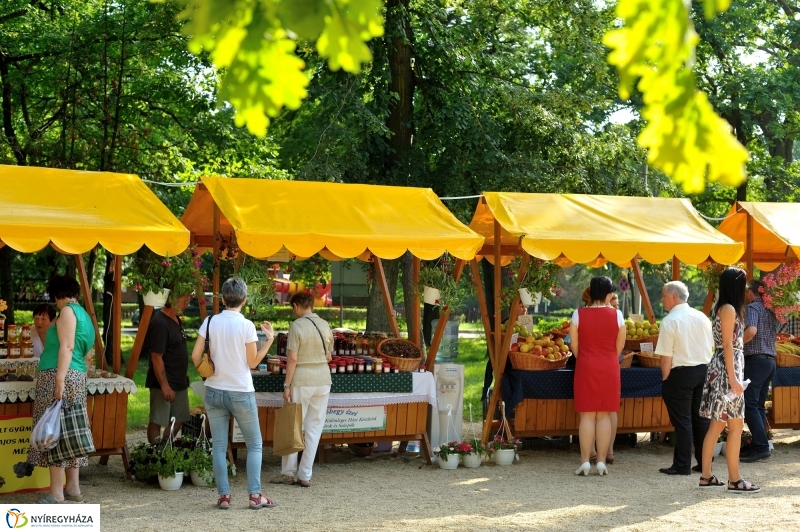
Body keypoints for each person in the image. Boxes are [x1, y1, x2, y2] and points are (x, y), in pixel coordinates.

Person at [190, 277, 276, 510]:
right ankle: (255, 495)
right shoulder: (246, 325)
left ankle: (224, 497)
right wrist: (269, 340)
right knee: (254, 444)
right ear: (244, 300)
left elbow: (195, 356)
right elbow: (253, 362)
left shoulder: (210, 321)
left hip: (214, 390)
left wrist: (206, 372)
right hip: (240, 391)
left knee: (219, 445)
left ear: (223, 299)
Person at [24, 275, 96, 504]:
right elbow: (88, 354)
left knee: (52, 432)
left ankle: (56, 492)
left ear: (57, 294)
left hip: (59, 373)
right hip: (76, 374)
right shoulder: (84, 315)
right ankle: (73, 488)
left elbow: (67, 346)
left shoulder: (66, 312)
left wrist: (60, 379)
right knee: (69, 431)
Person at [698, 267, 760, 493]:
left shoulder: (724, 307)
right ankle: (734, 479)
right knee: (735, 426)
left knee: (718, 426)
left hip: (724, 368)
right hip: (727, 371)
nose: (746, 288)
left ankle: (707, 476)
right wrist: (734, 379)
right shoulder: (729, 309)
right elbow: (727, 344)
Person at [271, 292, 333, 488]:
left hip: (302, 380)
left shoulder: (296, 326)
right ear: (311, 305)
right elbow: (329, 357)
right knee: (314, 427)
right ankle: (305, 474)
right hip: (323, 379)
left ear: (297, 306)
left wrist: (287, 386)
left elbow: (292, 359)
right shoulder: (325, 324)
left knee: (294, 425)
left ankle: (288, 473)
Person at [655, 281, 714, 475]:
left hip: (680, 374)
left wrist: (666, 379)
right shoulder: (702, 317)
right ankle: (705, 464)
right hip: (703, 371)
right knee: (701, 420)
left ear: (673, 297)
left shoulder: (669, 321)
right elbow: (710, 346)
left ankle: (682, 465)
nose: (661, 299)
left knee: (683, 422)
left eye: (664, 295)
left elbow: (665, 357)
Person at [570, 276, 625, 476]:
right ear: (609, 295)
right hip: (609, 366)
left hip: (586, 364)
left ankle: (585, 461)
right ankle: (601, 461)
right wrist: (608, 357)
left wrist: (586, 358)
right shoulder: (618, 315)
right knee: (604, 415)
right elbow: (620, 346)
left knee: (586, 415)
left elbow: (574, 346)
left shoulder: (578, 314)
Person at [740, 279, 779, 463]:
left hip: (756, 361)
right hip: (769, 361)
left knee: (750, 404)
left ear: (750, 292)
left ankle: (761, 446)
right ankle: (759, 444)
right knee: (758, 405)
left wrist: (735, 343)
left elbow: (751, 331)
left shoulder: (752, 308)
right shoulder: (770, 310)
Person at [144, 295, 191, 444]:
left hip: (179, 380)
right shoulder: (160, 323)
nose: (187, 305)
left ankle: (166, 447)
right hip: (163, 382)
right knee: (158, 419)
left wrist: (183, 374)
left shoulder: (175, 319)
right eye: (185, 301)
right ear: (173, 300)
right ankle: (155, 451)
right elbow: (156, 357)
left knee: (180, 417)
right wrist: (164, 385)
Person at [482, 300, 528, 410]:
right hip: (508, 360)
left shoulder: (526, 324)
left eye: (525, 307)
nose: (525, 309)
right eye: (521, 306)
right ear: (513, 309)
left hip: (521, 358)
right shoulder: (507, 324)